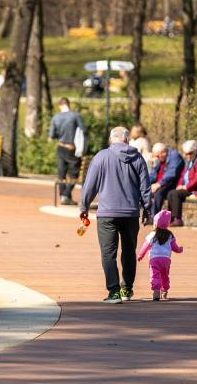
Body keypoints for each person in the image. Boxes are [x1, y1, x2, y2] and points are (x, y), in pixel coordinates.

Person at [80, 126, 151, 304]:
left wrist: (84, 206)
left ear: (112, 139)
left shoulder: (101, 157)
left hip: (107, 213)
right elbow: (145, 187)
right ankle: (127, 288)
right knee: (128, 251)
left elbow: (90, 185)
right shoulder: (138, 158)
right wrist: (147, 209)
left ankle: (114, 292)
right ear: (127, 140)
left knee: (108, 253)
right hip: (131, 213)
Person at [165, 140, 197, 227]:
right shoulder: (190, 161)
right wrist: (179, 186)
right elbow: (183, 175)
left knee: (175, 194)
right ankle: (171, 219)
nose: (187, 156)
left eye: (190, 153)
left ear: (195, 151)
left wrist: (185, 187)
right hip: (191, 188)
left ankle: (178, 219)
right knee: (171, 193)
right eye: (186, 153)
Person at [138, 210, 184, 301]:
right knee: (165, 275)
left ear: (155, 224)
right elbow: (174, 247)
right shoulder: (170, 235)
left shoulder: (152, 234)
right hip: (166, 260)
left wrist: (140, 255)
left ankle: (156, 291)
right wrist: (179, 250)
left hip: (154, 260)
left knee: (155, 275)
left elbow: (145, 246)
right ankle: (165, 290)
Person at [48, 97, 86, 205]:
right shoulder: (75, 116)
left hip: (60, 147)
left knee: (61, 173)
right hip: (72, 148)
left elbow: (51, 135)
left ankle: (64, 196)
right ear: (69, 104)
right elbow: (83, 131)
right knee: (74, 173)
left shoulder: (55, 117)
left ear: (60, 105)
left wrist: (60, 135)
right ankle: (66, 195)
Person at [148, 143, 183, 217]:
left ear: (163, 152)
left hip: (172, 183)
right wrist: (145, 182)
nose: (157, 158)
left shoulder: (174, 156)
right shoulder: (159, 159)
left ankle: (154, 217)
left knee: (158, 192)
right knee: (146, 191)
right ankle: (149, 215)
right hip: (162, 183)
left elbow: (171, 174)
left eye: (157, 156)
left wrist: (158, 184)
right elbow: (153, 174)